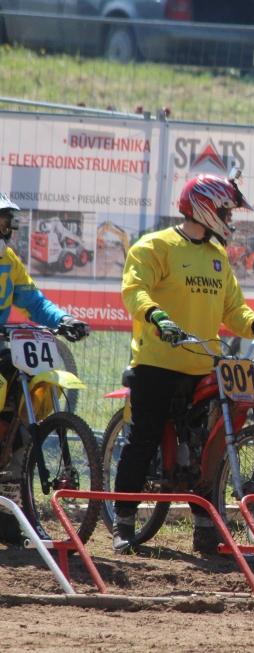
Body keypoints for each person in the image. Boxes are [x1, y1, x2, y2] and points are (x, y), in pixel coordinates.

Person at [112, 173, 254, 555]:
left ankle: (205, 528)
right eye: (226, 210)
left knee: (207, 448)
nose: (230, 218)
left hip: (204, 369)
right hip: (156, 363)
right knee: (143, 438)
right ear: (205, 207)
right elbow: (134, 290)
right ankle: (123, 522)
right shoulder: (154, 246)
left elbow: (234, 310)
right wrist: (157, 317)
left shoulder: (216, 256)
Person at [0, 192, 90, 545]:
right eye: (2, 220)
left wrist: (63, 319)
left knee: (23, 408)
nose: (6, 227)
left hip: (3, 345)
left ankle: (10, 504)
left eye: (6, 221)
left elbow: (33, 300)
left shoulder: (9, 259)